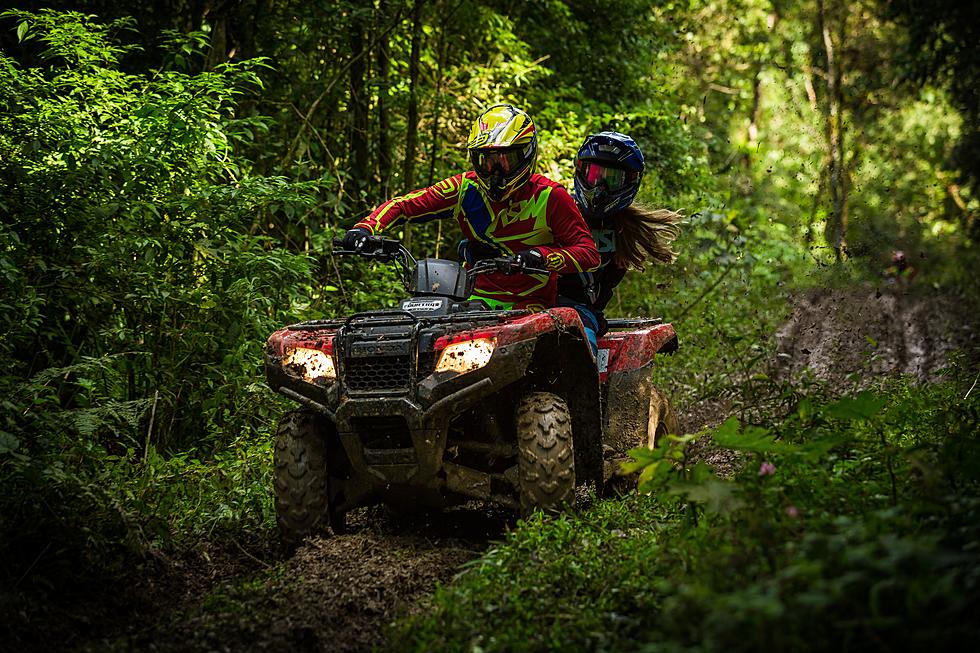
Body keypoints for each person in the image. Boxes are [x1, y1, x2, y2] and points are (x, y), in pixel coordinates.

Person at [342, 104, 600, 311]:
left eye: (505, 161)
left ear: (526, 155)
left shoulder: (550, 196)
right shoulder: (464, 188)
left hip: (531, 307)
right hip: (470, 302)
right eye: (486, 161)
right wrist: (364, 229)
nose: (496, 172)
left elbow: (589, 253)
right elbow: (404, 205)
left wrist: (542, 257)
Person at [557, 131, 682, 353]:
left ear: (629, 182)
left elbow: (606, 285)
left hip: (579, 315)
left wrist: (592, 312)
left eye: (611, 179)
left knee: (580, 352)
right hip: (533, 305)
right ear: (580, 171)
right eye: (595, 175)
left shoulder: (624, 229)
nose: (600, 187)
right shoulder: (557, 210)